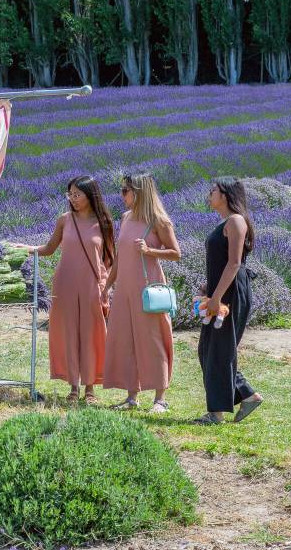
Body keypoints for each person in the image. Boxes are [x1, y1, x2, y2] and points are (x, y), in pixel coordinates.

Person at [15, 176, 115, 403]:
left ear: (91, 195)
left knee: (91, 334)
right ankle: (73, 388)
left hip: (92, 284)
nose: (73, 199)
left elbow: (109, 259)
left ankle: (90, 389)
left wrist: (105, 287)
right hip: (64, 283)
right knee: (68, 333)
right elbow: (50, 248)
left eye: (77, 194)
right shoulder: (64, 220)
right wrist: (26, 248)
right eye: (70, 194)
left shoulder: (104, 222)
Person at [102, 173, 181, 412]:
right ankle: (131, 397)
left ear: (139, 192)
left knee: (153, 340)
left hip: (148, 289)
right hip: (125, 289)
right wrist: (107, 286)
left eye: (125, 191)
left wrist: (150, 251)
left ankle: (160, 399)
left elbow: (176, 253)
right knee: (126, 339)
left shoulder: (159, 221)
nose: (121, 195)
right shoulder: (126, 218)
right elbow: (120, 257)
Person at [194, 176, 263, 425]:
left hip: (230, 294)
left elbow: (234, 263)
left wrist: (217, 297)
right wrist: (209, 287)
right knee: (208, 349)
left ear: (225, 194)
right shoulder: (226, 221)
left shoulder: (236, 221)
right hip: (221, 290)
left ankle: (216, 413)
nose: (209, 194)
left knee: (219, 350)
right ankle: (246, 394)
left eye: (213, 190)